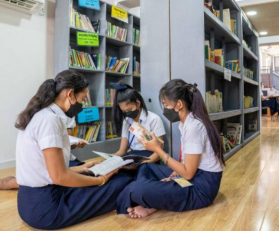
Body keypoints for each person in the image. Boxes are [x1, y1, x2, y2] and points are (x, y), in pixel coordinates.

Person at [15, 70, 133, 230]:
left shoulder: (40, 115)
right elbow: (59, 176)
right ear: (70, 94)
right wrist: (100, 180)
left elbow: (46, 169)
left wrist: (81, 168)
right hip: (47, 209)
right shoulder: (50, 120)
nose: (83, 105)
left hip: (28, 204)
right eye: (83, 99)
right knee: (121, 183)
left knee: (99, 175)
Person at [116, 79, 225, 218]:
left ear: (179, 104)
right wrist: (175, 174)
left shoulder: (193, 127)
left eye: (166, 104)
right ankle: (155, 200)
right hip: (195, 175)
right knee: (146, 168)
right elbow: (188, 165)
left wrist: (157, 149)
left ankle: (150, 200)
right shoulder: (187, 122)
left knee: (135, 189)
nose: (164, 109)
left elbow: (188, 174)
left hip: (200, 189)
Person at [0, 112, 87, 190]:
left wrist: (75, 145)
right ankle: (7, 182)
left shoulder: (68, 116)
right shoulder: (46, 119)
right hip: (48, 165)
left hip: (63, 161)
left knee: (84, 172)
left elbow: (64, 143)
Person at [111, 83, 165, 162]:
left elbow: (158, 152)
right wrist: (109, 161)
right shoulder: (126, 121)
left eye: (129, 110)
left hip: (150, 157)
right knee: (115, 171)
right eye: (124, 111)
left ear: (138, 104)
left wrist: (141, 164)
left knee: (141, 172)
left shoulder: (154, 119)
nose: (127, 113)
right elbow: (122, 151)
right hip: (133, 156)